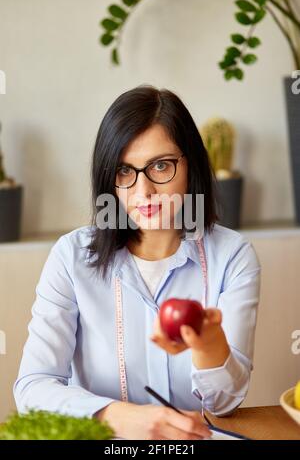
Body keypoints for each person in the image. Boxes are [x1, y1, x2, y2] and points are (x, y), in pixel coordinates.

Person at [14, 85, 261, 440]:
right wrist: (114, 417)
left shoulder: (232, 256)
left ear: (191, 164)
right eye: (124, 171)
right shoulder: (71, 257)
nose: (143, 192)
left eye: (161, 166)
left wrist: (209, 344)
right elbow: (32, 387)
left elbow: (224, 404)